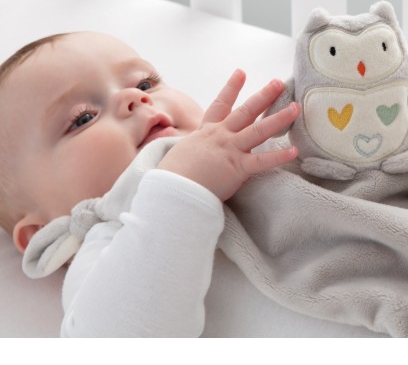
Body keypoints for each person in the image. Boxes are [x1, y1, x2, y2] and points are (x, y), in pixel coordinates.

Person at [0, 30, 327, 337]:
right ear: (41, 231)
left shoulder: (256, 151)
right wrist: (180, 186)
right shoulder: (106, 249)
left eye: (145, 84)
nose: (134, 98)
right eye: (83, 118)